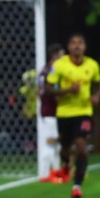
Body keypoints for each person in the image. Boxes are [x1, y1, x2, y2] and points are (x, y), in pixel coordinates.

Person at [45, 33, 100, 198]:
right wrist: (67, 91)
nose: (77, 46)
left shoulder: (93, 65)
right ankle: (66, 163)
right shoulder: (60, 65)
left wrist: (97, 96)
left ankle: (77, 186)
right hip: (64, 112)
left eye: (80, 43)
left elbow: (98, 84)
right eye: (73, 43)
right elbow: (48, 89)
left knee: (82, 147)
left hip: (84, 112)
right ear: (69, 47)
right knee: (65, 148)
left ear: (84, 47)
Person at [37, 43, 66, 183]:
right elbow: (55, 94)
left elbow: (38, 91)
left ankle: (56, 171)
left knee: (56, 143)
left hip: (45, 109)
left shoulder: (43, 70)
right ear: (56, 56)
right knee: (51, 142)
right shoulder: (53, 71)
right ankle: (44, 174)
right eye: (62, 55)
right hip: (51, 111)